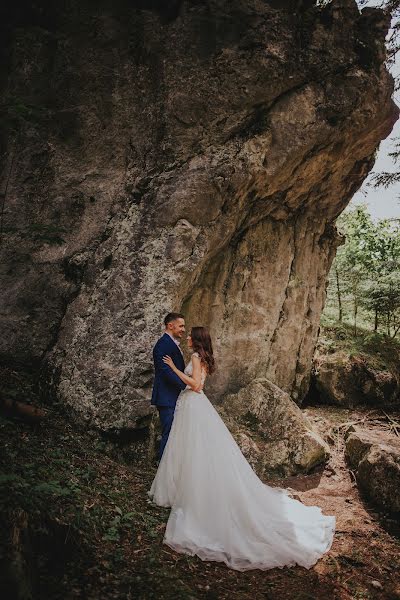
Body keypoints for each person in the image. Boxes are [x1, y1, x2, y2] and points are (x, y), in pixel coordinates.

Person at [148, 326, 336, 572]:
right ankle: (185, 489)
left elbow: (195, 386)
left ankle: (192, 495)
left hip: (193, 404)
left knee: (193, 451)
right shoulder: (203, 357)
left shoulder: (195, 357)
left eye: (191, 335)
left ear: (197, 340)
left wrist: (173, 369)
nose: (189, 337)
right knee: (194, 451)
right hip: (195, 407)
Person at [151, 312, 201, 461]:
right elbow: (165, 371)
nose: (183, 329)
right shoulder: (162, 345)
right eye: (181, 326)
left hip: (174, 397)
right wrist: (184, 386)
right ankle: (163, 470)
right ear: (170, 325)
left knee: (175, 433)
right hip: (167, 397)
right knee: (169, 433)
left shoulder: (172, 343)